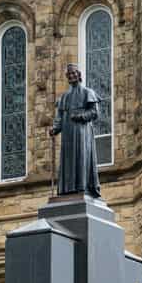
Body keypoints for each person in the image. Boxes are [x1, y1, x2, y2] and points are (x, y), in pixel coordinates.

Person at [51, 63, 101, 197]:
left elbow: (94, 113)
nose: (72, 76)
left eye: (74, 73)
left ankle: (82, 186)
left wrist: (81, 116)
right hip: (68, 131)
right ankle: (68, 188)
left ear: (79, 75)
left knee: (81, 156)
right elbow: (59, 117)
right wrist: (55, 129)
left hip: (81, 130)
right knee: (68, 159)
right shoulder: (64, 97)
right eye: (69, 74)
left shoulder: (87, 92)